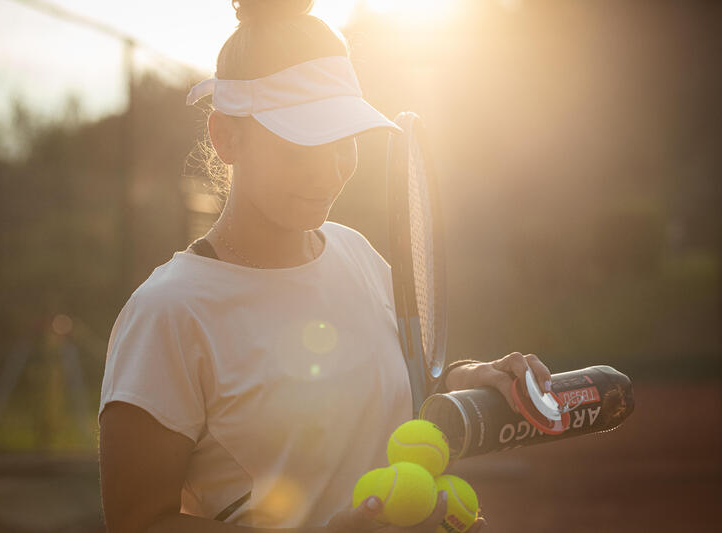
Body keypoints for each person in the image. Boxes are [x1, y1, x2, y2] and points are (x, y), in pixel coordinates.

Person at [98, 1, 553, 532]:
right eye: (299, 145)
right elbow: (137, 522)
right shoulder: (167, 313)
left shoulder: (354, 253)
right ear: (226, 137)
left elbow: (395, 383)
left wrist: (472, 376)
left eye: (344, 141)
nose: (330, 170)